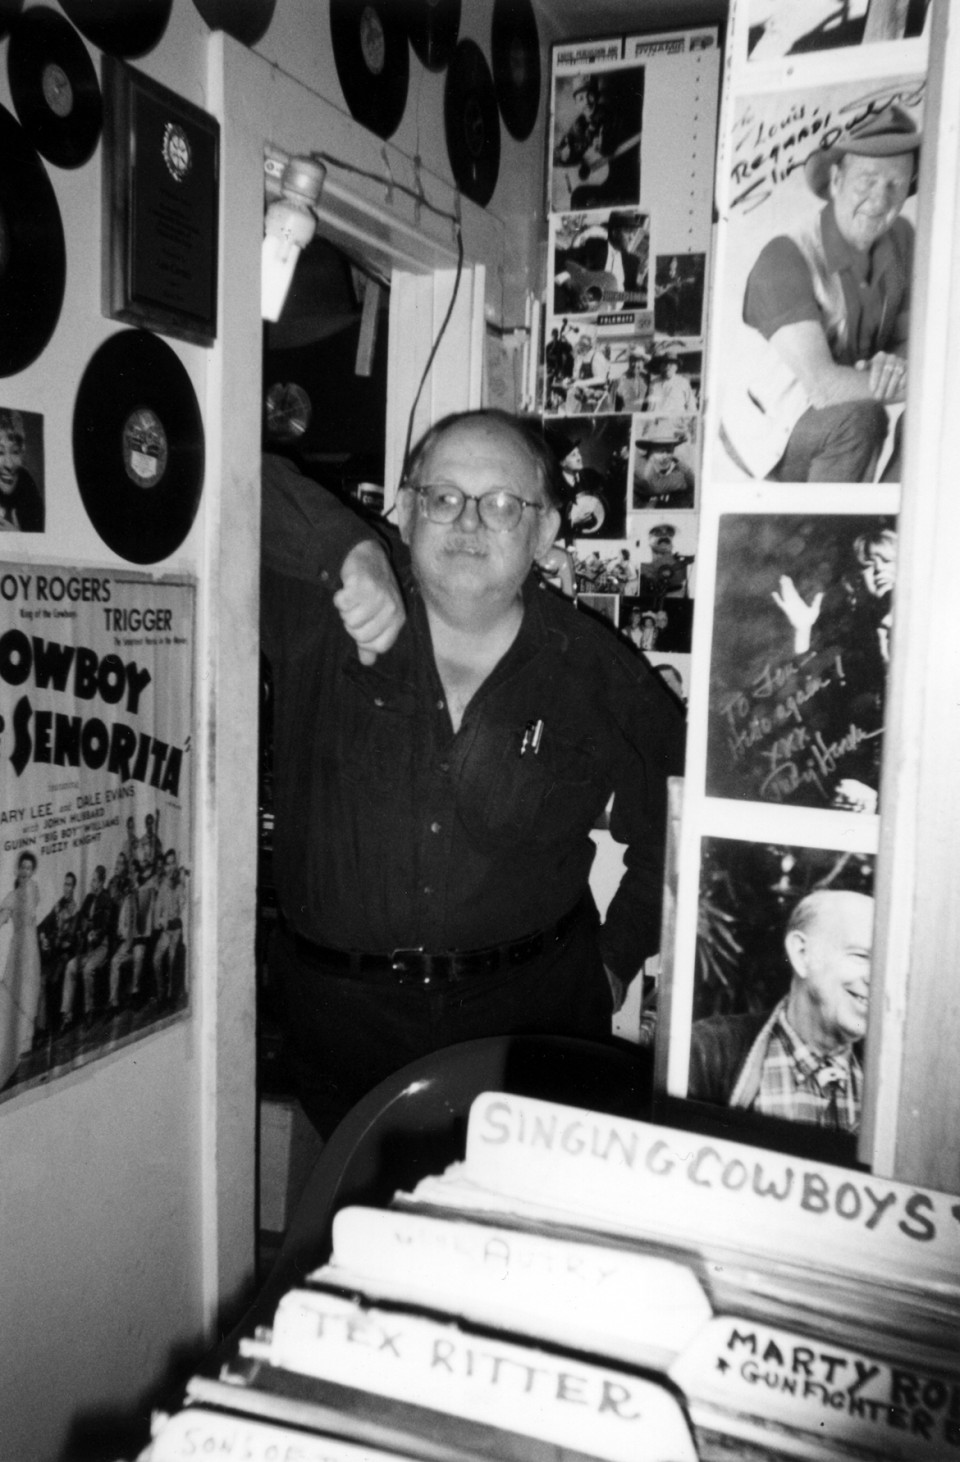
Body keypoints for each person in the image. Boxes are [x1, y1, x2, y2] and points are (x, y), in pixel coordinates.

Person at [261, 409, 684, 1137]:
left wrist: (613, 962)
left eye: (502, 504)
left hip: (529, 1040)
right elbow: (230, 470)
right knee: (356, 1210)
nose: (468, 521)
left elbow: (679, 828)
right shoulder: (320, 615)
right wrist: (349, 548)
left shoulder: (599, 674)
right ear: (405, 510)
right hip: (341, 1042)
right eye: (444, 497)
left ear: (545, 532)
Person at [721, 105, 921, 482]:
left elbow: (907, 340)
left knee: (926, 420)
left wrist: (892, 365)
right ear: (836, 180)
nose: (880, 201)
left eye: (896, 184)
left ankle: (884, 516)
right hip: (769, 429)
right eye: (867, 180)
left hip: (841, 409)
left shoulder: (902, 240)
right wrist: (922, 383)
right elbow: (825, 388)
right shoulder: (785, 257)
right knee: (862, 421)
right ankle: (821, 517)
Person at [688, 889, 874, 1133]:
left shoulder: (892, 1083)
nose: (877, 978)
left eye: (885, 963)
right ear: (802, 954)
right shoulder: (706, 1052)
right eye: (861, 956)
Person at [0, 851, 42, 1085]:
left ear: (32, 870)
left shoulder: (33, 889)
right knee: (15, 993)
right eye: (22, 868)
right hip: (18, 950)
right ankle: (15, 1044)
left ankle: (27, 1040)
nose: (25, 872)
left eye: (28, 868)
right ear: (17, 870)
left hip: (31, 949)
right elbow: (3, 916)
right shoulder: (12, 897)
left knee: (30, 991)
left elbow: (33, 906)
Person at [0, 408, 43, 532]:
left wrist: (19, 537)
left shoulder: (26, 483)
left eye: (15, 451)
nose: (9, 464)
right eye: (0, 452)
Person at [645, 349, 697, 416]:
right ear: (660, 366)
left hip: (676, 420)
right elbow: (650, 407)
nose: (667, 367)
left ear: (676, 367)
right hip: (656, 419)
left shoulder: (683, 383)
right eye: (665, 364)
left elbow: (691, 407)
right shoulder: (654, 383)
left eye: (671, 364)